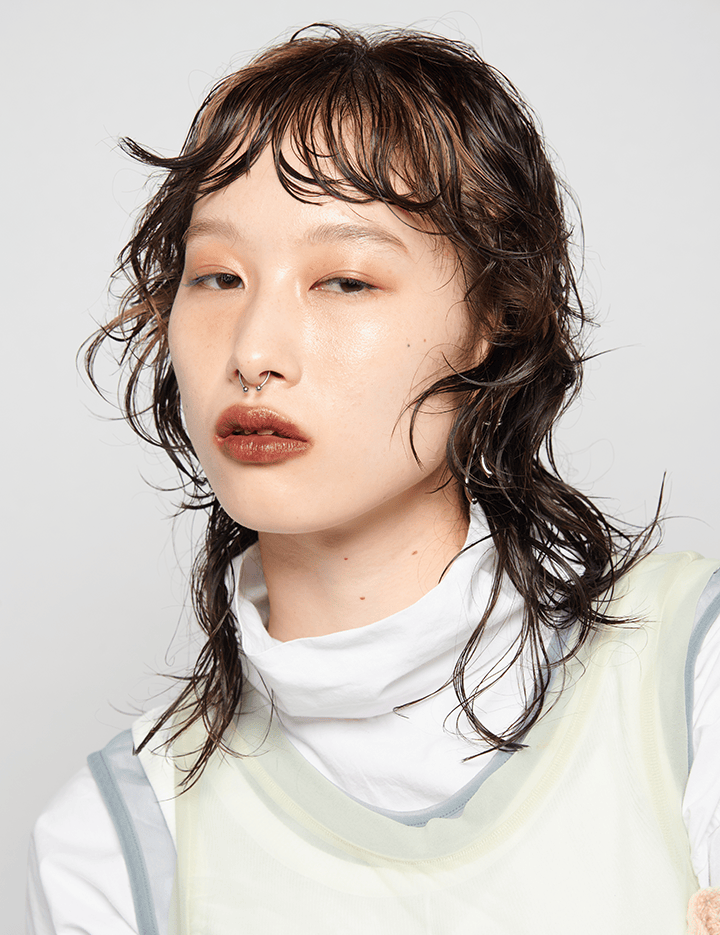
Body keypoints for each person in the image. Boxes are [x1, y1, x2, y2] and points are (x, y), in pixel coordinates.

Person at [26, 24, 720, 935]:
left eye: (345, 281)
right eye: (218, 277)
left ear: (495, 318)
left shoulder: (692, 670)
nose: (254, 352)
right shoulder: (115, 841)